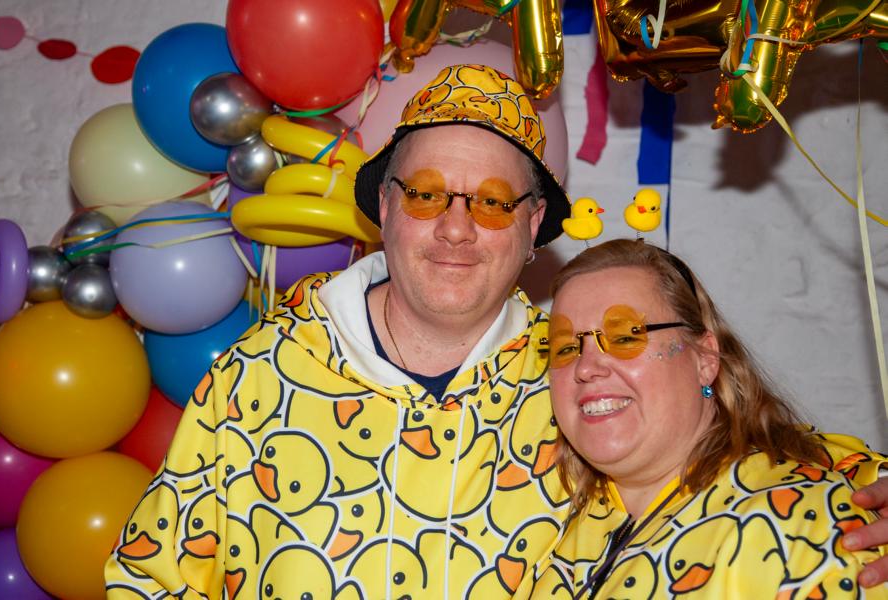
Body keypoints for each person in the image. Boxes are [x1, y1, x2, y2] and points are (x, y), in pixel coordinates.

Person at [105, 64, 888, 599]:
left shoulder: (575, 381)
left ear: (533, 224)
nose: (456, 229)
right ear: (385, 208)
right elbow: (151, 576)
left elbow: (743, 454)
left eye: (490, 202)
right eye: (426, 195)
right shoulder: (257, 376)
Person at [532, 239, 888, 598]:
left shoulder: (799, 518)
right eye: (566, 348)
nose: (586, 367)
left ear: (705, 359)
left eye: (625, 337)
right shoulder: (550, 530)